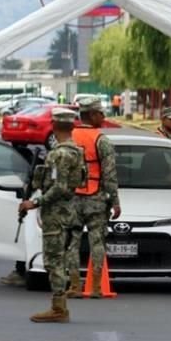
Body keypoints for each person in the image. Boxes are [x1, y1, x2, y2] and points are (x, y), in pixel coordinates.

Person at [19, 107, 85, 323]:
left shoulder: (59, 154)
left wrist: (34, 202)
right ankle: (59, 305)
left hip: (55, 214)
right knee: (58, 259)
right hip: (68, 210)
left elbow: (58, 187)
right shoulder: (76, 151)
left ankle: (59, 308)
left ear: (54, 126)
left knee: (53, 261)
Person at [65, 96, 120, 299]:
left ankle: (74, 286)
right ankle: (96, 287)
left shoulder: (68, 138)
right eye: (100, 113)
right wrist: (115, 201)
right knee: (97, 241)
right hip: (96, 197)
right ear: (92, 115)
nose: (103, 116)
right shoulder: (101, 140)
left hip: (71, 198)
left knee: (73, 241)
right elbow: (110, 174)